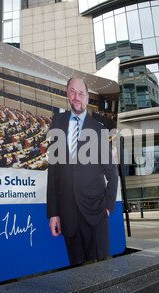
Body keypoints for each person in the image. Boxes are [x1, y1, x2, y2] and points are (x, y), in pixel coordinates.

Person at [46, 77, 118, 266]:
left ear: (87, 98)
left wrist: (108, 207)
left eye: (81, 93)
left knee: (100, 273)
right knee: (77, 275)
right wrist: (53, 213)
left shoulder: (98, 130)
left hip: (96, 214)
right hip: (68, 215)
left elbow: (112, 173)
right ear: (67, 94)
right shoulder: (57, 123)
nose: (76, 97)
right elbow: (53, 172)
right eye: (72, 91)